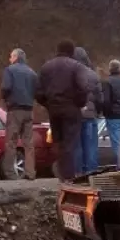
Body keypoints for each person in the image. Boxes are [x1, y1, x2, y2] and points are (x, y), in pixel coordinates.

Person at [37, 40, 90, 182]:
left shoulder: (45, 67)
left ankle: (62, 174)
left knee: (58, 142)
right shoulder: (77, 67)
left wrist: (48, 104)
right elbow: (83, 88)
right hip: (71, 109)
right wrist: (79, 104)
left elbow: (38, 91)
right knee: (70, 142)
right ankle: (68, 176)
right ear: (72, 51)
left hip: (53, 109)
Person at [1, 48, 38, 180]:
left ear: (15, 57)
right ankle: (30, 172)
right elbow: (37, 91)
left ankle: (10, 173)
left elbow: (5, 88)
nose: (9, 59)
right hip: (29, 110)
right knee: (28, 143)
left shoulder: (10, 70)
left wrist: (6, 99)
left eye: (11, 56)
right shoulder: (32, 72)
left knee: (11, 141)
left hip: (15, 109)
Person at [72, 47, 103, 175]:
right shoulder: (93, 74)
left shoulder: (71, 73)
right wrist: (98, 112)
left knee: (77, 147)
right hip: (91, 116)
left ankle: (78, 174)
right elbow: (100, 98)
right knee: (91, 147)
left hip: (75, 115)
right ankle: (91, 173)